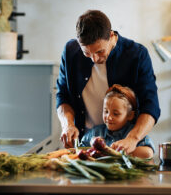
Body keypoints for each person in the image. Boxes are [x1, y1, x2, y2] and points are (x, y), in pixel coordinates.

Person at [56, 10, 160, 154]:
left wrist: (132, 139)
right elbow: (63, 96)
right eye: (87, 53)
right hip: (85, 145)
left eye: (99, 52)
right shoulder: (70, 52)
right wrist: (67, 124)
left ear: (111, 36)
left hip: (124, 146)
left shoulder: (137, 55)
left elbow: (151, 106)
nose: (94, 59)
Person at [81, 84, 155, 158]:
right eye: (106, 111)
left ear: (130, 115)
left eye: (116, 114)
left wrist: (111, 152)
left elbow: (148, 153)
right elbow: (79, 149)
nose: (109, 117)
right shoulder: (95, 132)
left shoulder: (135, 132)